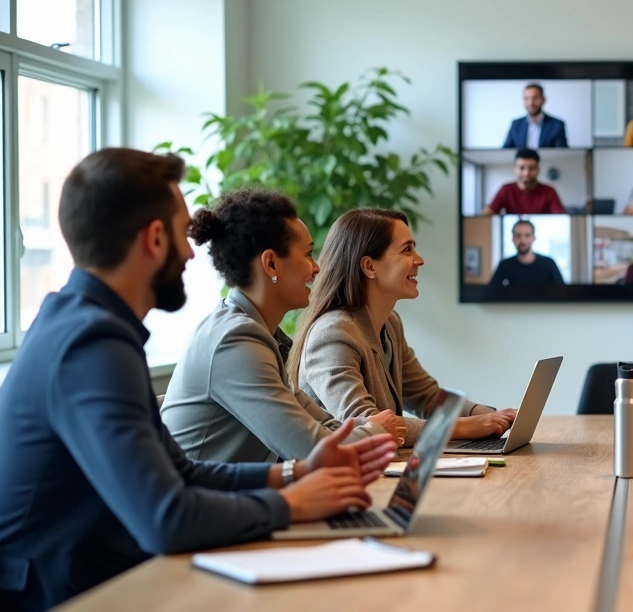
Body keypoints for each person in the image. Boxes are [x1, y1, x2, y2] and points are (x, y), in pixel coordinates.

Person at [0, 149, 396, 612]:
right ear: (154, 239)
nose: (192, 253)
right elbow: (165, 519)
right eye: (182, 234)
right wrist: (293, 504)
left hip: (90, 573)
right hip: (58, 593)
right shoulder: (92, 344)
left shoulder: (85, 325)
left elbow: (181, 474)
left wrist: (295, 474)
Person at [162, 189, 404, 465]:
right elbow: (310, 449)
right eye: (308, 254)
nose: (317, 268)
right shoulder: (234, 341)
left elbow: (323, 425)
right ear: (271, 264)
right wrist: (374, 430)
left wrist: (369, 428)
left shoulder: (257, 332)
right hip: (199, 494)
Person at [288, 208, 518, 445]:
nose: (419, 260)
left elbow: (427, 396)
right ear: (370, 267)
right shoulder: (333, 333)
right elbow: (367, 424)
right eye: (407, 250)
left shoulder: (390, 323)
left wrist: (492, 415)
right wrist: (465, 427)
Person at [480, 149, 566, 215]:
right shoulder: (506, 189)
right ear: (515, 169)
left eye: (531, 168)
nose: (526, 173)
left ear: (538, 169)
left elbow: (561, 217)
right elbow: (488, 212)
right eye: (522, 168)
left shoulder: (549, 191)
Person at [489, 219, 565, 286]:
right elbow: (491, 292)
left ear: (533, 238)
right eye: (518, 236)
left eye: (527, 235)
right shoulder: (505, 265)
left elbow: (562, 292)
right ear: (513, 239)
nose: (523, 240)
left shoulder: (549, 263)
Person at [502, 83, 568, 149]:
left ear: (543, 100)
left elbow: (561, 153)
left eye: (535, 98)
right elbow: (505, 151)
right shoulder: (516, 124)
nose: (531, 103)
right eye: (527, 98)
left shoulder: (557, 125)